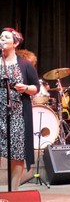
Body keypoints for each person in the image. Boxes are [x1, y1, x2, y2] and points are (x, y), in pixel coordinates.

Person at [0, 28, 40, 190]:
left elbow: (35, 87)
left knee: (16, 154)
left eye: (6, 37)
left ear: (15, 43)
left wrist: (25, 88)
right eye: (1, 37)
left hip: (17, 115)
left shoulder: (25, 65)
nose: (2, 39)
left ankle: (13, 191)